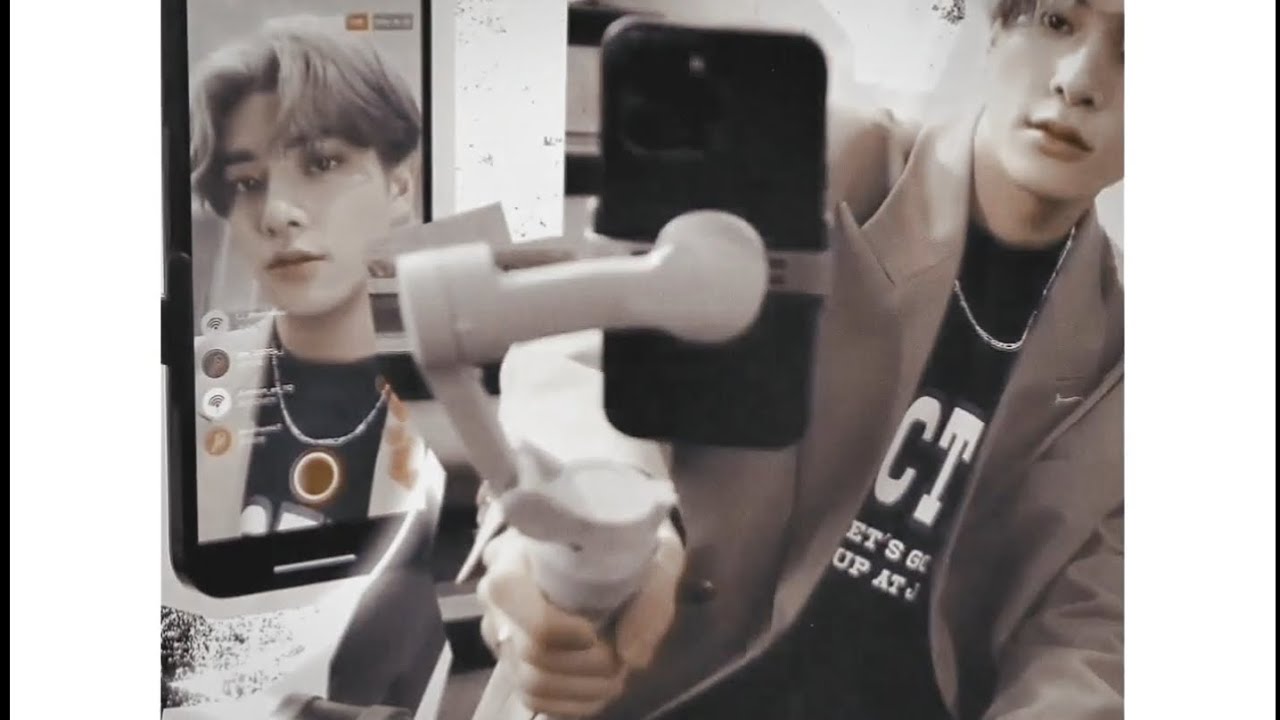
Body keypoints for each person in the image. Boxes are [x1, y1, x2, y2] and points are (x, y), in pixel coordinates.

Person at [479, 0, 1125, 718]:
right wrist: (594, 536)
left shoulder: (1126, 357)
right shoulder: (803, 157)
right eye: (1057, 21)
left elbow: (1093, 634)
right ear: (999, 27)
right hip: (654, 685)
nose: (1079, 81)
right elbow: (582, 354)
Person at [189, 17, 444, 542]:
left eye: (322, 163)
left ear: (400, 186)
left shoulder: (480, 390)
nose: (276, 214)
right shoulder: (189, 388)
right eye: (247, 183)